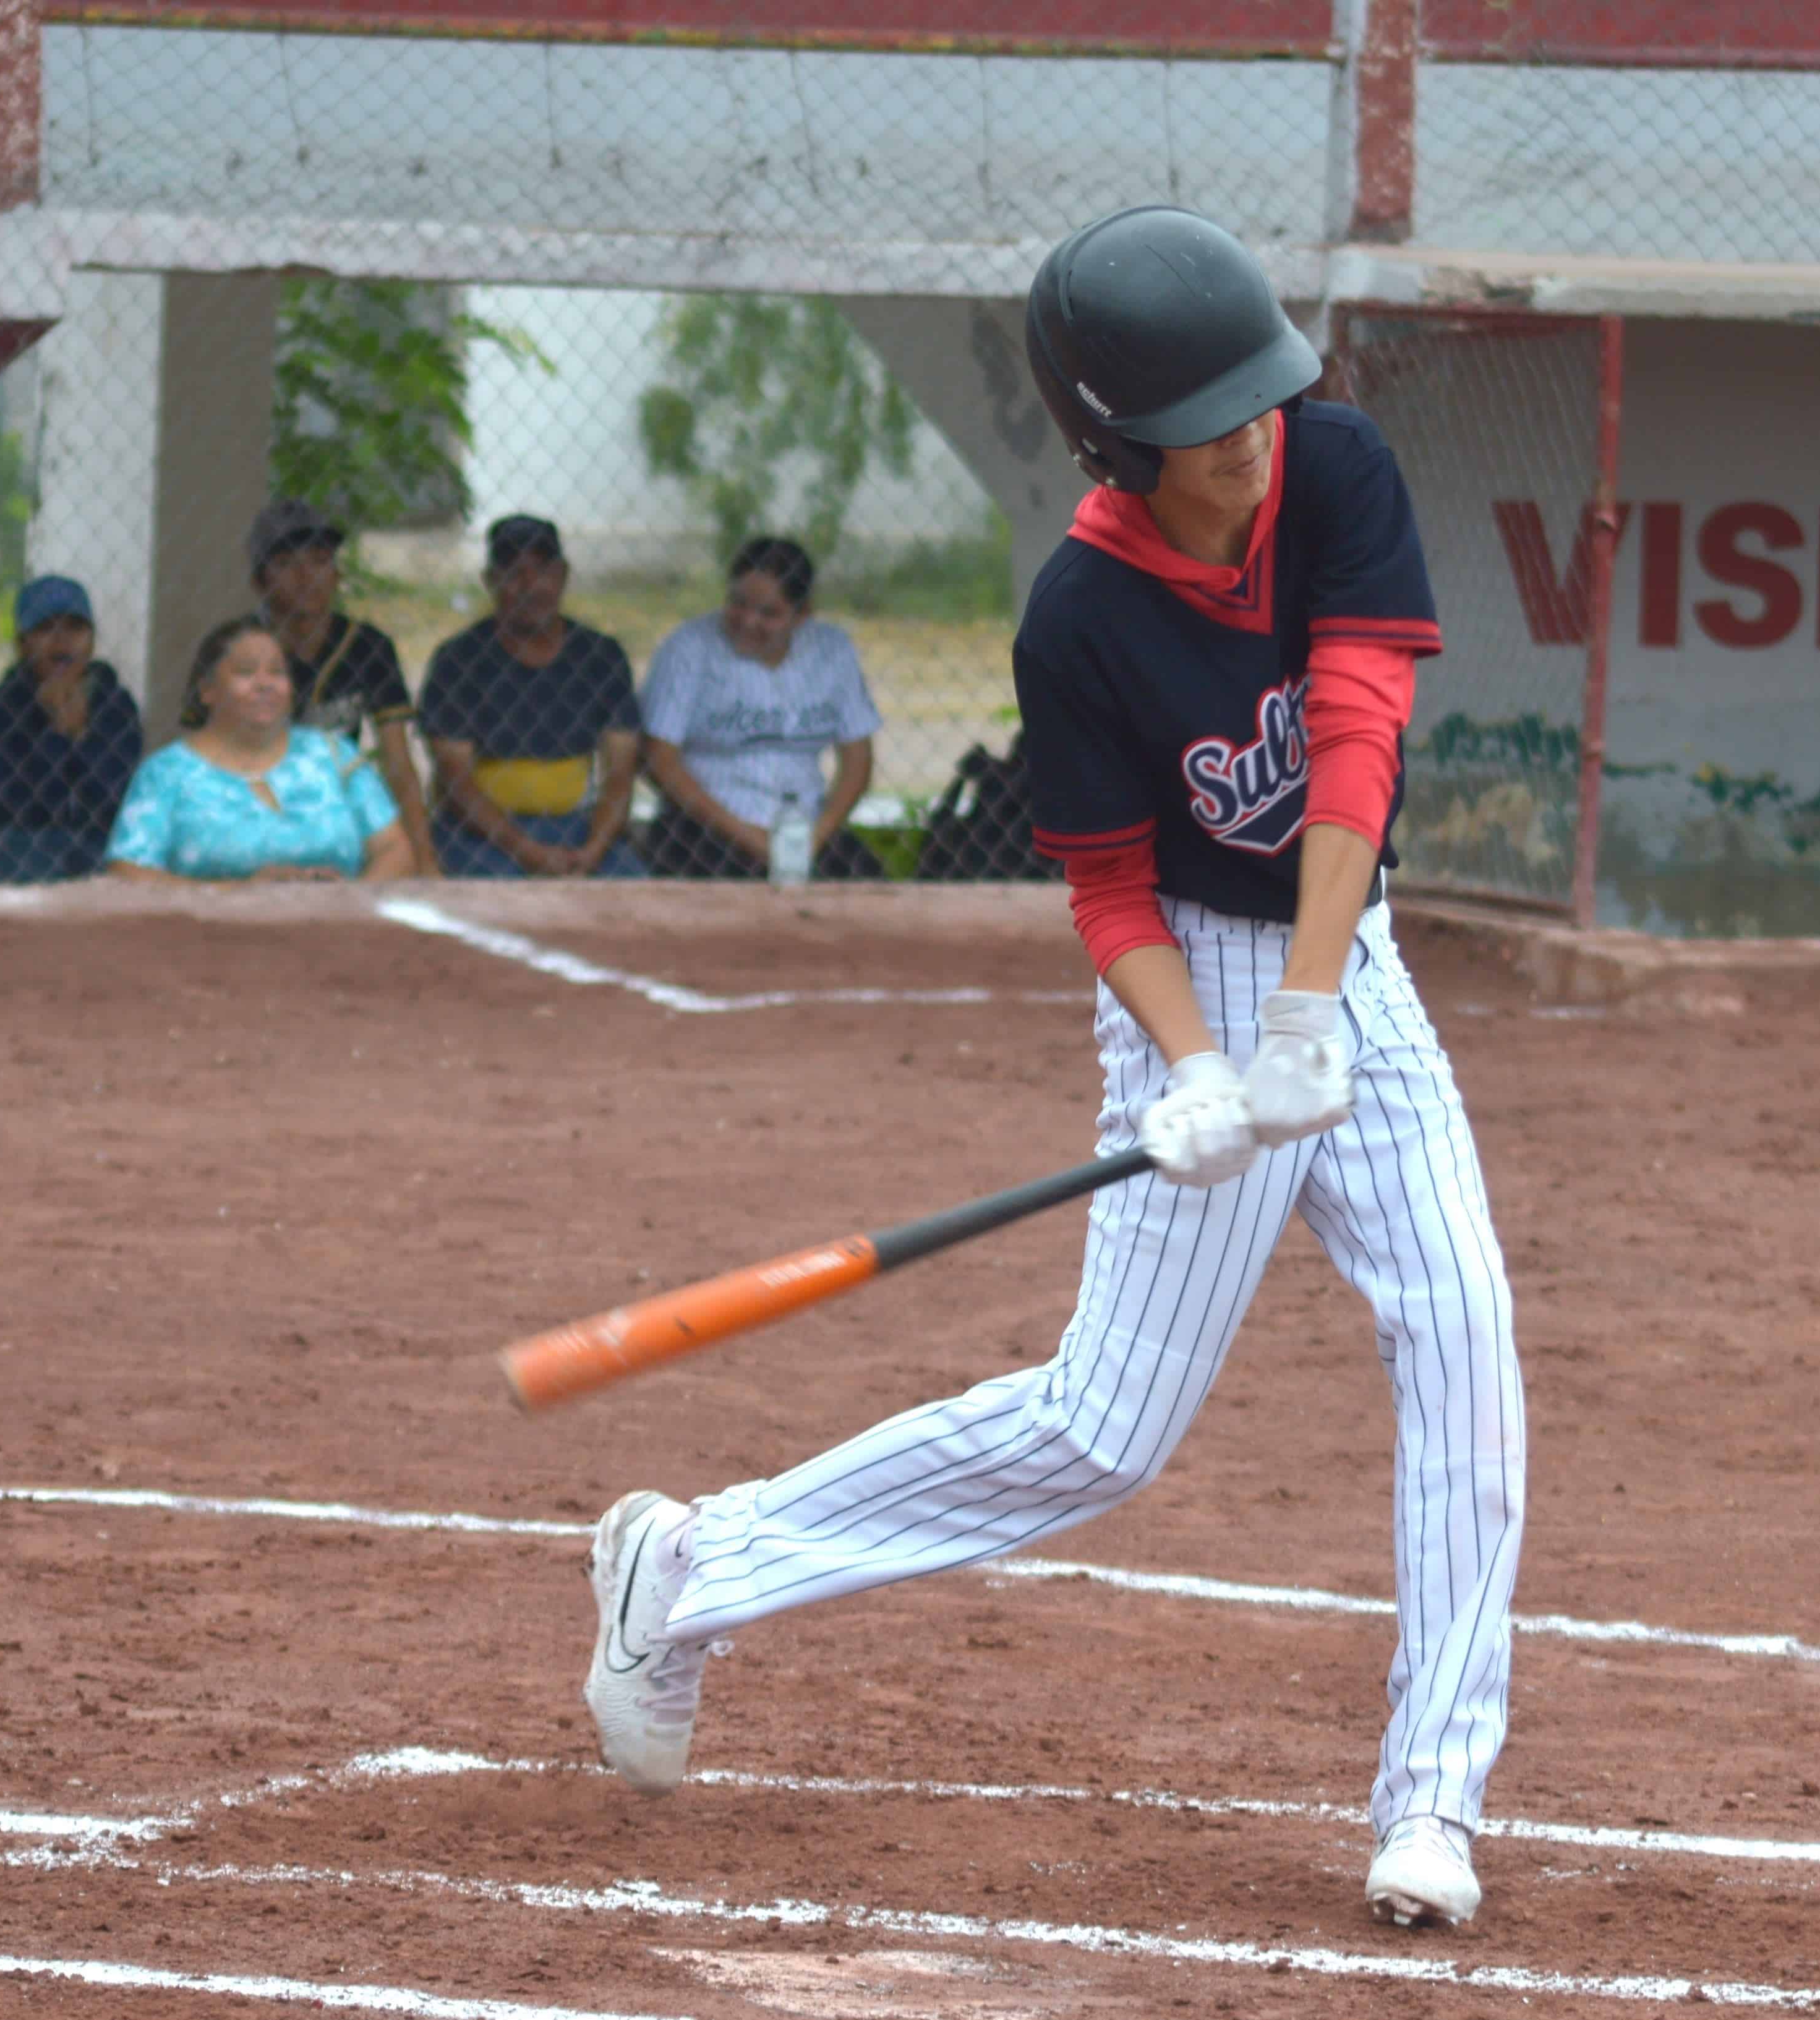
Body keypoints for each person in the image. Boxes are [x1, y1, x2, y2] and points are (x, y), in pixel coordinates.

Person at [575, 207, 1523, 1936]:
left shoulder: (1335, 468)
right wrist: (1193, 1062)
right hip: (1187, 956)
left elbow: (1359, 738)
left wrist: (1311, 1013)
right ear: (1114, 446)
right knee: (1103, 1432)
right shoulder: (1078, 615)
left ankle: (1434, 1797)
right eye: (1209, 430)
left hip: (1338, 949)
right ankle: (695, 1564)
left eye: (1260, 405)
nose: (1250, 444)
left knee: (1459, 1329)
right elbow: (1106, 886)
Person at [638, 536, 888, 880]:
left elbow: (858, 760)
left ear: (802, 615)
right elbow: (659, 759)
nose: (748, 621)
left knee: (870, 891)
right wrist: (754, 840)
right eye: (738, 604)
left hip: (805, 824)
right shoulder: (689, 647)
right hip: (708, 827)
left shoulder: (833, 650)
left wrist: (817, 837)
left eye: (769, 613)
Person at [416, 515, 644, 878]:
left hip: (578, 828)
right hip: (485, 835)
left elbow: (620, 774)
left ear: (564, 576)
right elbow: (457, 784)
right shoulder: (458, 661)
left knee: (635, 893)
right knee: (502, 905)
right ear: (491, 581)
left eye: (544, 571)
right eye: (515, 573)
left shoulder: (602, 656)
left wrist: (593, 850)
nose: (532, 586)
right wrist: (530, 852)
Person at [105, 617, 414, 883]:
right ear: (207, 691)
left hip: (337, 936)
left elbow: (395, 850)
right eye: (246, 672)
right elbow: (127, 872)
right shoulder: (167, 772)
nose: (265, 684)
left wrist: (350, 902)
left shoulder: (335, 755)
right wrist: (242, 896)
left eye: (277, 672)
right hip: (210, 941)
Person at [245, 499, 441, 876]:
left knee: (390, 857)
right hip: (258, 809)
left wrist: (425, 860)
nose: (306, 577)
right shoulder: (237, 648)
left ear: (337, 574)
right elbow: (210, 763)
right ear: (260, 581)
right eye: (287, 564)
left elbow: (398, 763)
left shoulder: (368, 647)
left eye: (320, 561)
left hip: (339, 811)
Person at [0, 575, 142, 882]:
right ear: (23, 644)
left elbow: (113, 795)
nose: (62, 641)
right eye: (46, 628)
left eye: (75, 628)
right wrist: (58, 734)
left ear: (92, 640)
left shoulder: (116, 703)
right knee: (29, 866)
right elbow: (20, 801)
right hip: (24, 837)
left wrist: (81, 737)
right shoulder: (0, 707)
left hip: (99, 835)